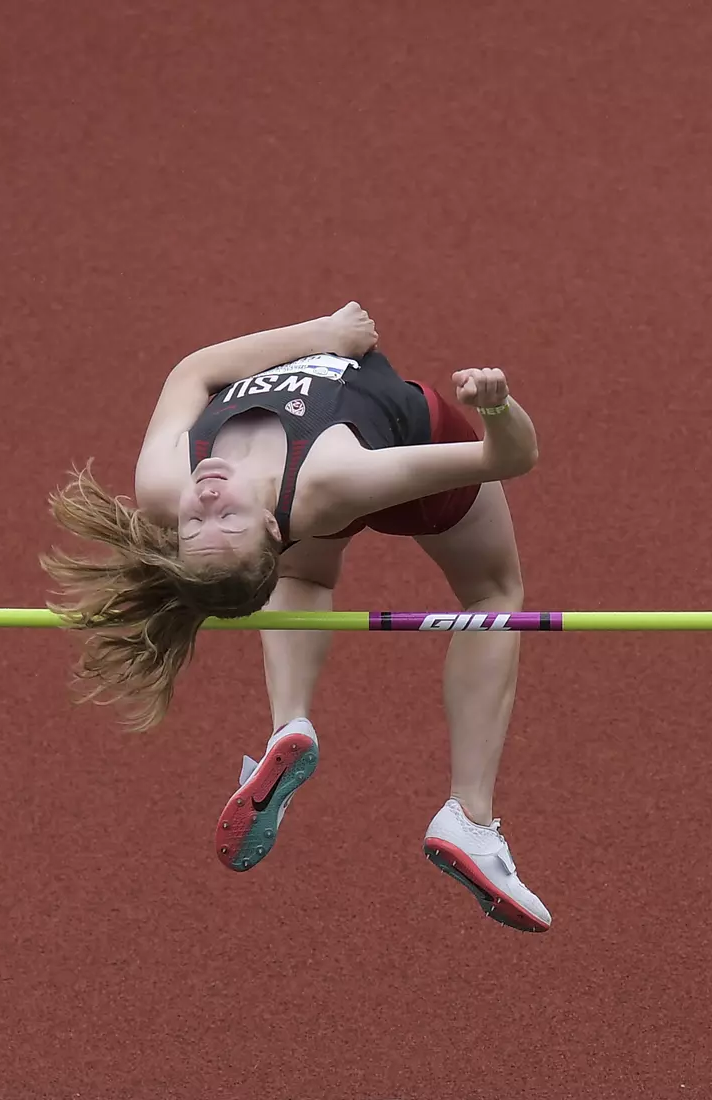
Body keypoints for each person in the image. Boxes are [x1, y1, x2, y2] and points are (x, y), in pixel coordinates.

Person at [38, 302, 551, 932]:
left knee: (303, 572)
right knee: (494, 598)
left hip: (323, 483)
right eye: (224, 517)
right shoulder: (327, 482)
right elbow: (510, 460)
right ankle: (469, 818)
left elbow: (191, 373)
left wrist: (319, 336)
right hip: (407, 450)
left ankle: (290, 724)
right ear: (272, 527)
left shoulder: (166, 486)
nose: (207, 499)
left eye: (198, 523)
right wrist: (495, 406)